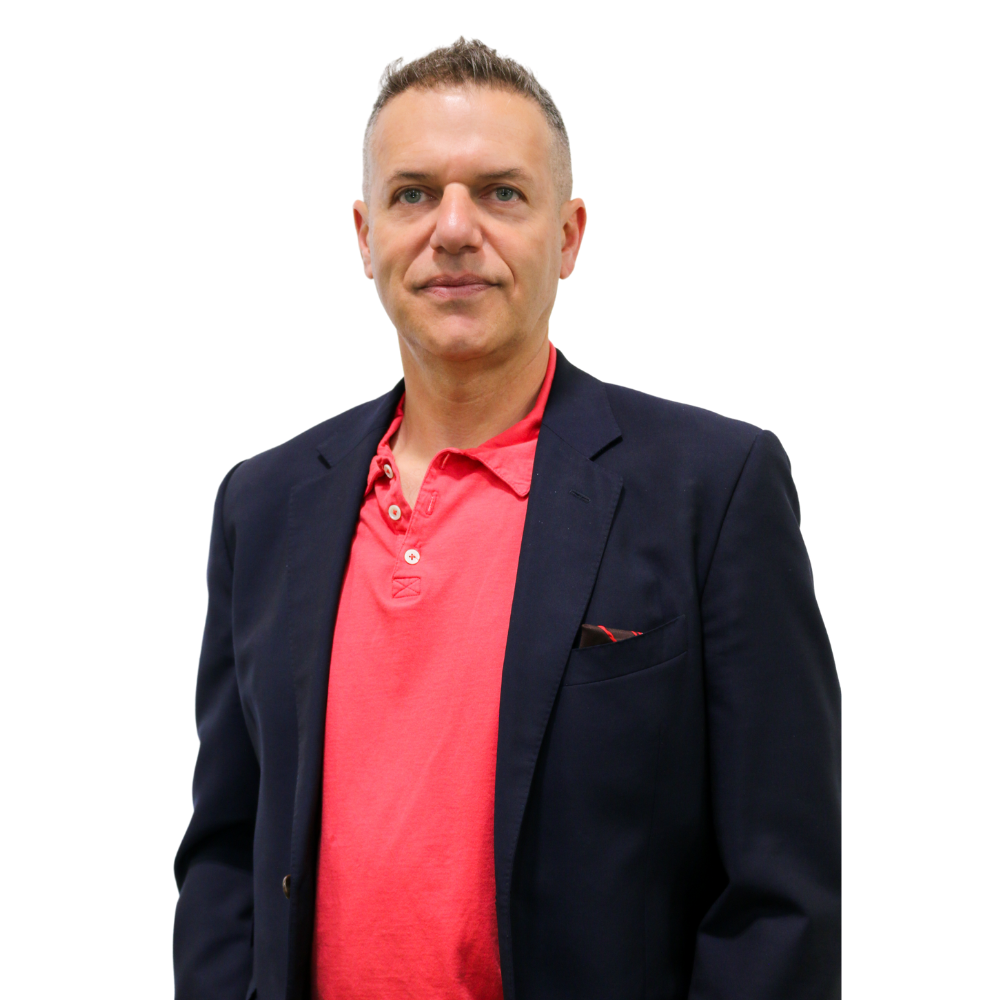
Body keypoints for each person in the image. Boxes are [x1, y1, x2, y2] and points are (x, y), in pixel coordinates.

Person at [173, 37, 840, 1000]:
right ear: (364, 236)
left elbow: (781, 897)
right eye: (412, 194)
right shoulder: (265, 505)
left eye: (500, 193)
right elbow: (230, 853)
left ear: (568, 236)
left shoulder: (712, 489)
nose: (452, 229)